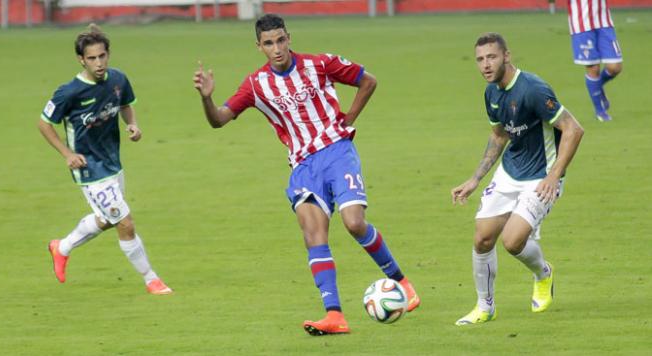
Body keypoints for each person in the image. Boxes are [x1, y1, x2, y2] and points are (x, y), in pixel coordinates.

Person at [193, 14, 420, 336]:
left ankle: (403, 283)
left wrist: (348, 119)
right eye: (269, 43)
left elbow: (368, 80)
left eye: (281, 40)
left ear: (289, 38)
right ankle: (334, 315)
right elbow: (218, 120)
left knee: (354, 222)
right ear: (259, 47)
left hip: (337, 153)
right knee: (313, 233)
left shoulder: (320, 64)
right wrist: (206, 98)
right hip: (303, 166)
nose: (277, 49)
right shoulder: (256, 85)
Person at [451, 33, 584, 325]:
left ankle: (543, 274)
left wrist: (554, 175)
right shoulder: (491, 93)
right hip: (510, 172)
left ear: (507, 56)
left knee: (512, 241)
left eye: (492, 57)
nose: (486, 65)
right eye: (480, 59)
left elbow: (573, 129)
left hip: (541, 177)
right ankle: (485, 307)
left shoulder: (533, 89)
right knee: (482, 238)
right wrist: (475, 179)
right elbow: (499, 135)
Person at [39, 24, 172, 295]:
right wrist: (68, 154)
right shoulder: (69, 92)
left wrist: (133, 125)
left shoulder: (118, 79)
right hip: (88, 168)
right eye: (91, 58)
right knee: (125, 222)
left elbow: (125, 105)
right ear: (81, 60)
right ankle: (151, 279)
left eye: (102, 56)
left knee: (108, 219)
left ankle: (61, 247)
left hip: (112, 163)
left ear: (108, 54)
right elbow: (44, 124)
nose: (98, 63)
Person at [567, 0, 623, 121]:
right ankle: (600, 111)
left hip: (604, 22)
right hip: (581, 24)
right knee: (593, 68)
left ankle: (597, 86)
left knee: (615, 67)